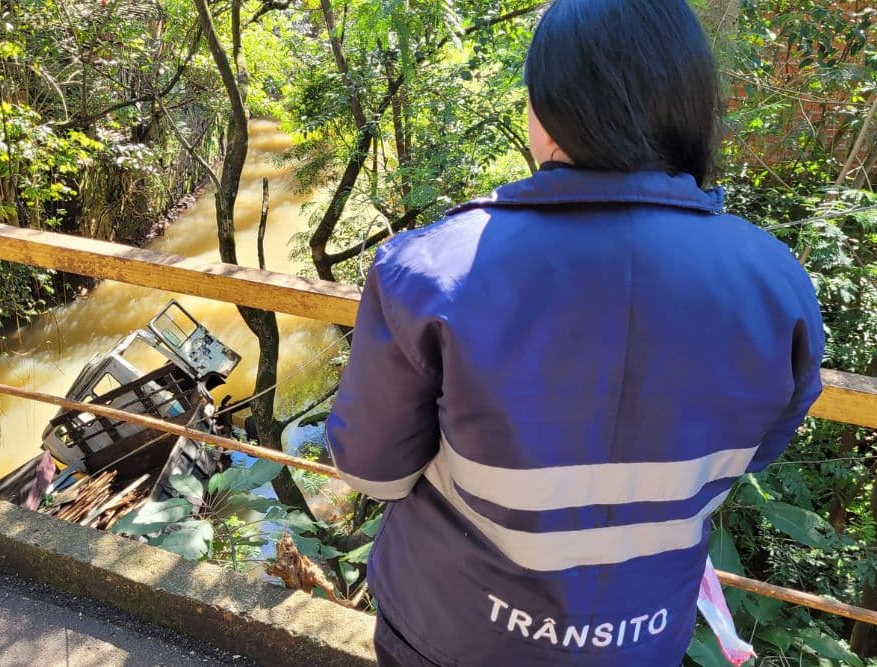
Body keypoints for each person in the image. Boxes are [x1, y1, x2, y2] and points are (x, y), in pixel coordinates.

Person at [324, 1, 825, 665]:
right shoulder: (778, 285)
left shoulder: (431, 269)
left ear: (547, 108)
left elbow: (371, 469)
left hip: (450, 631)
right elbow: (751, 457)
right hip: (643, 639)